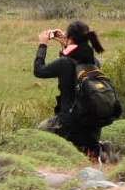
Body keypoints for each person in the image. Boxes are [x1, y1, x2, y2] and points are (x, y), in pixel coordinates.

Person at [34, 22, 116, 159]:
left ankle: (60, 156)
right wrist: (66, 45)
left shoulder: (64, 63)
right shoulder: (94, 62)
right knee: (84, 140)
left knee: (40, 131)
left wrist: (43, 44)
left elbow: (38, 70)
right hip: (93, 125)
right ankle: (97, 149)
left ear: (71, 38)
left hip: (70, 124)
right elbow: (75, 62)